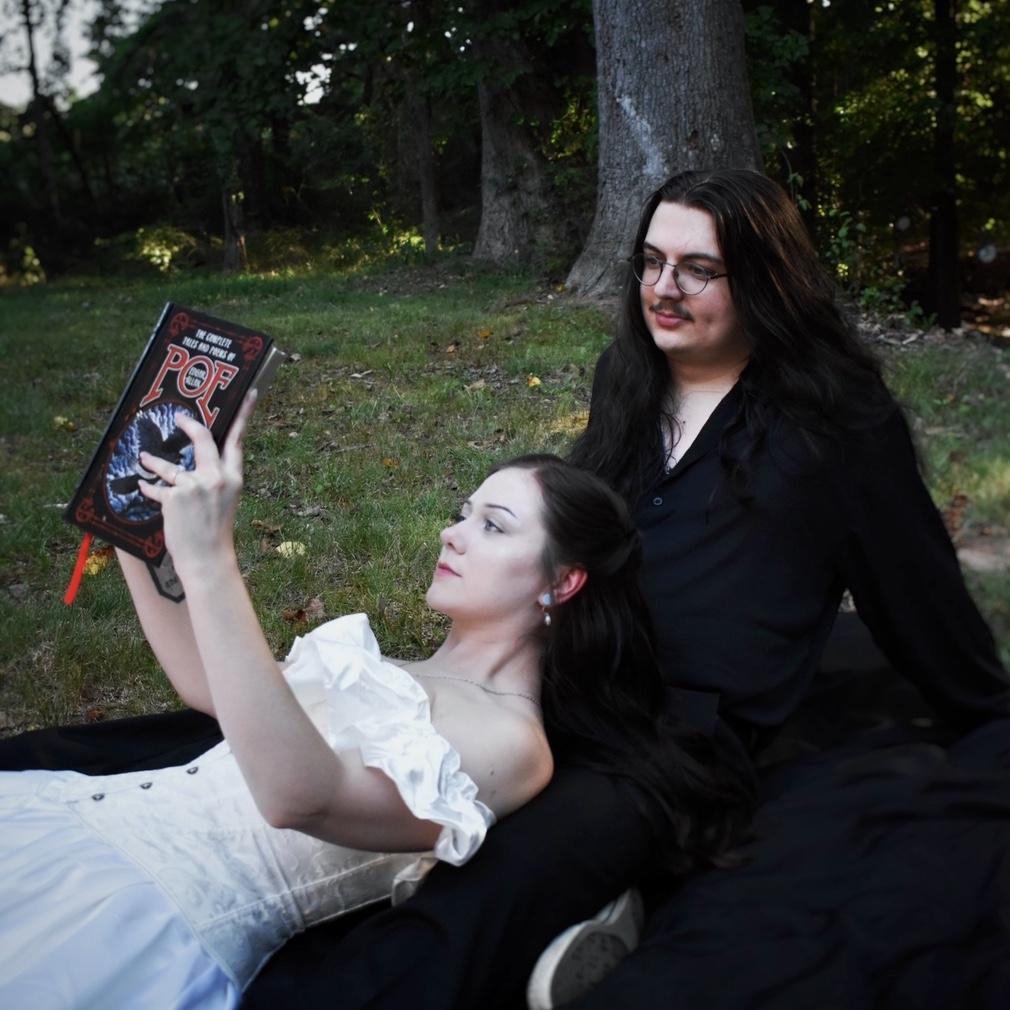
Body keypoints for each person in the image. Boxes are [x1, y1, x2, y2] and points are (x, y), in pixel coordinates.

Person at [235, 168, 1009, 1010]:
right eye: (651, 261)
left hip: (670, 742)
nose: (662, 288)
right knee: (350, 782)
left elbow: (918, 592)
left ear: (765, 279)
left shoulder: (835, 422)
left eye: (698, 270)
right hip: (556, 682)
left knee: (484, 895)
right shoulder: (630, 376)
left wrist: (983, 710)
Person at [0, 395, 747, 1008]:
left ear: (562, 582)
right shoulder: (388, 664)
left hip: (146, 918)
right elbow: (209, 685)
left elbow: (299, 797)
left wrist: (211, 559)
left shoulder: (516, 744)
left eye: (492, 526)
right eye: (464, 512)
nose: (452, 534)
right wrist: (129, 524)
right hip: (77, 833)